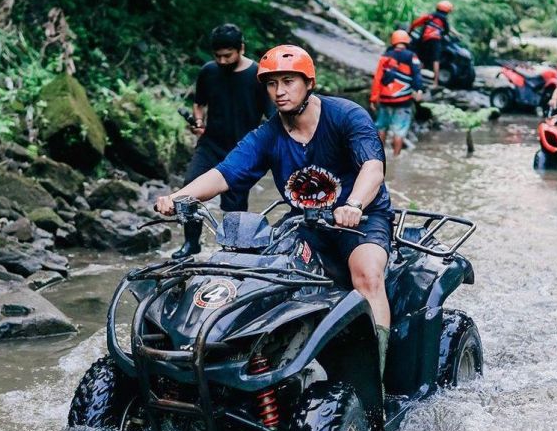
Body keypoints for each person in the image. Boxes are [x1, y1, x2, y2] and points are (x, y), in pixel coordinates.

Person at [154, 45, 396, 377]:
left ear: (308, 82)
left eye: (288, 81)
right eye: (271, 84)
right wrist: (179, 196)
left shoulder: (346, 116)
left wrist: (353, 205)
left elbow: (373, 167)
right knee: (260, 277)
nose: (279, 91)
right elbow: (224, 173)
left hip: (362, 220)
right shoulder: (267, 135)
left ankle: (376, 378)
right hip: (303, 224)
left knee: (367, 276)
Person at [172, 23, 273, 259]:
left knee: (234, 204)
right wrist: (198, 122)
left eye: (228, 55)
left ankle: (232, 251)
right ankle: (191, 243)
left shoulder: (258, 76)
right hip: (211, 143)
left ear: (241, 48)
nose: (223, 60)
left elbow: (272, 117)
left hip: (243, 150)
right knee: (190, 187)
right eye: (218, 56)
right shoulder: (209, 71)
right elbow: (199, 103)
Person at [370, 30, 424, 157]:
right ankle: (396, 158)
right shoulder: (411, 56)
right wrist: (418, 90)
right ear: (406, 41)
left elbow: (377, 78)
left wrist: (373, 98)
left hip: (384, 100)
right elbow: (416, 74)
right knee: (399, 131)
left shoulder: (385, 56)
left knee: (381, 128)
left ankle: (379, 157)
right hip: (403, 101)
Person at [409, 0, 452, 87]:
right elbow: (446, 31)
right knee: (436, 61)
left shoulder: (430, 16)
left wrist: (410, 30)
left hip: (425, 40)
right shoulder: (444, 20)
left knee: (421, 59)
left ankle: (415, 79)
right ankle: (435, 83)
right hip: (436, 41)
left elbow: (415, 23)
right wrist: (441, 34)